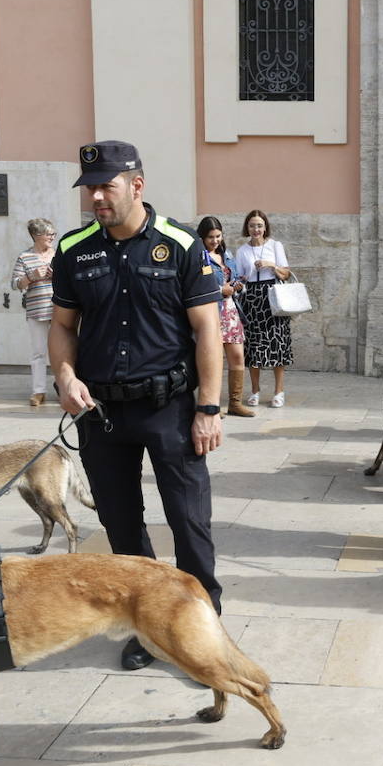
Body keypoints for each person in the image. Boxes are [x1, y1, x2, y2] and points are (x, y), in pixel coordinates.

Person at [49, 139, 225, 669]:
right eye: (91, 189)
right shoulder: (74, 249)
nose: (97, 197)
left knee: (189, 521)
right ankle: (146, 624)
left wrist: (209, 407)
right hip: (100, 413)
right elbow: (62, 325)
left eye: (107, 186)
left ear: (137, 185)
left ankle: (204, 625)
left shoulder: (181, 244)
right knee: (122, 525)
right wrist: (64, 375)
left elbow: (207, 330)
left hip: (168, 407)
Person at [235, 210, 294, 408]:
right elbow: (239, 277)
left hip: (274, 296)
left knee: (278, 343)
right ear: (247, 227)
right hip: (252, 298)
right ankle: (255, 391)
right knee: (253, 346)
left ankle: (279, 391)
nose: (256, 229)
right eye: (252, 225)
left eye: (259, 225)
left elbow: (285, 273)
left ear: (265, 227)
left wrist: (270, 264)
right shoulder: (242, 251)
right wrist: (241, 280)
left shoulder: (275, 246)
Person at [198, 215, 254, 417]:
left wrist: (238, 285)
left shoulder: (227, 254)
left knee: (238, 356)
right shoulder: (199, 257)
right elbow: (198, 287)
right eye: (211, 237)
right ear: (202, 238)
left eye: (218, 236)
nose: (215, 241)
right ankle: (213, 403)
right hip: (212, 311)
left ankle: (235, 403)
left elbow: (235, 278)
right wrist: (222, 290)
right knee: (214, 359)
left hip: (231, 311)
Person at [10, 218, 57, 406]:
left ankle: (63, 387)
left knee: (62, 351)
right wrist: (32, 276)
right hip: (36, 311)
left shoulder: (59, 254)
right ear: (36, 236)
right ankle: (39, 391)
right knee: (39, 352)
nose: (52, 238)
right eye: (49, 234)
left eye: (53, 234)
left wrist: (58, 274)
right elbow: (14, 283)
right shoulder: (24, 257)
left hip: (60, 310)